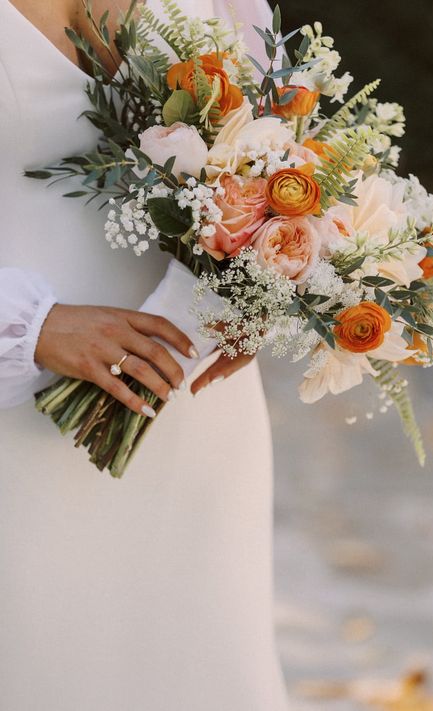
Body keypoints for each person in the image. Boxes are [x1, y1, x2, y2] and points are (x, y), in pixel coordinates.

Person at [0, 1, 289, 709]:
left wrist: (265, 289)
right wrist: (33, 327)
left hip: (195, 423)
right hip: (18, 429)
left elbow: (284, 146)